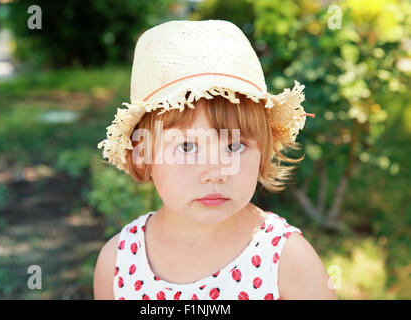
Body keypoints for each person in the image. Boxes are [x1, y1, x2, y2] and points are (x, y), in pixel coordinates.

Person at [94, 19, 337, 300]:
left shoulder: (287, 262)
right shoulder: (118, 263)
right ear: (143, 156)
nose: (215, 172)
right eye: (186, 147)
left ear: (263, 152)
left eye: (234, 146)